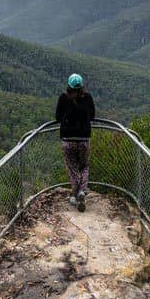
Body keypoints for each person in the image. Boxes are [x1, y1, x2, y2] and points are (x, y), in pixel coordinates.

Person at [56, 73, 95, 212]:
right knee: (84, 166)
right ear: (81, 86)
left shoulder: (63, 98)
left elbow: (58, 117)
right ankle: (81, 192)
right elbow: (93, 116)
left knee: (73, 169)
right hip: (84, 139)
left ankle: (75, 194)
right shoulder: (88, 98)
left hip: (68, 140)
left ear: (69, 86)